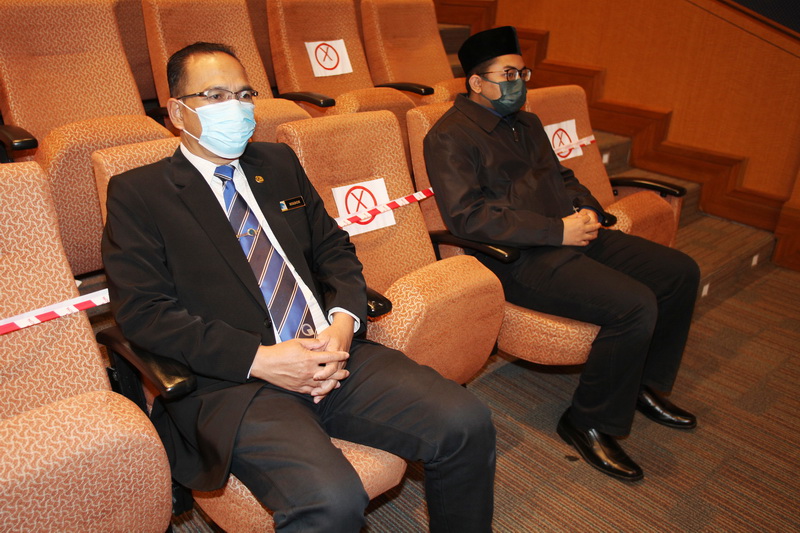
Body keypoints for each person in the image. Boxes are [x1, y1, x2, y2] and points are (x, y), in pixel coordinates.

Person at [102, 42, 495, 532]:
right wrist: (260, 359)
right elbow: (144, 312)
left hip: (333, 351)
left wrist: (343, 324)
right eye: (216, 96)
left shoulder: (277, 162)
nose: (236, 108)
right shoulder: (139, 193)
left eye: (244, 94)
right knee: (331, 501)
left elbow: (334, 249)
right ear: (178, 112)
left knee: (466, 422)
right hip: (238, 383)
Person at [423, 27, 700, 482]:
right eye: (508, 74)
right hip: (519, 257)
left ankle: (639, 384)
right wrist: (556, 231)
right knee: (634, 304)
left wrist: (587, 209)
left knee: (679, 272)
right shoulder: (449, 136)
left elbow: (562, 177)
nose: (519, 82)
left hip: (570, 233)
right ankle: (587, 420)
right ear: (475, 82)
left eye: (522, 73)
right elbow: (468, 218)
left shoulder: (527, 123)